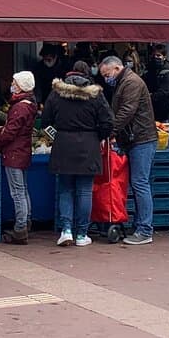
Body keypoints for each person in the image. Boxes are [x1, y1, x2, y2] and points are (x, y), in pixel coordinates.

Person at [44, 62, 113, 247]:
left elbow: (45, 121)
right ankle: (82, 234)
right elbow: (108, 121)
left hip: (63, 145)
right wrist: (99, 137)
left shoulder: (56, 93)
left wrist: (56, 137)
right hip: (89, 146)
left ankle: (66, 230)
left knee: (65, 189)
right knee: (84, 191)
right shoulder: (96, 95)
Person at [98, 56, 156, 245]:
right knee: (138, 183)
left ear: (116, 68)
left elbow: (126, 111)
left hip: (141, 139)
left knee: (140, 183)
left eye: (107, 74)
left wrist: (110, 132)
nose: (106, 78)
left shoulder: (131, 82)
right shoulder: (125, 81)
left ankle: (145, 230)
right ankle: (141, 225)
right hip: (134, 139)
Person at [0, 71, 37, 244]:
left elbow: (10, 132)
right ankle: (26, 222)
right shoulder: (29, 105)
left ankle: (20, 228)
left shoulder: (20, 107)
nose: (11, 85)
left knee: (17, 192)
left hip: (14, 153)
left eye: (14, 82)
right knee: (23, 189)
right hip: (22, 151)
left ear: (21, 86)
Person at [143, 44, 169, 124]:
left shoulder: (168, 72)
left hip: (164, 110)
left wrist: (150, 96)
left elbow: (165, 92)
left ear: (164, 57)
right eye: (154, 55)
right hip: (153, 109)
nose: (156, 57)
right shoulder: (150, 69)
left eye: (158, 55)